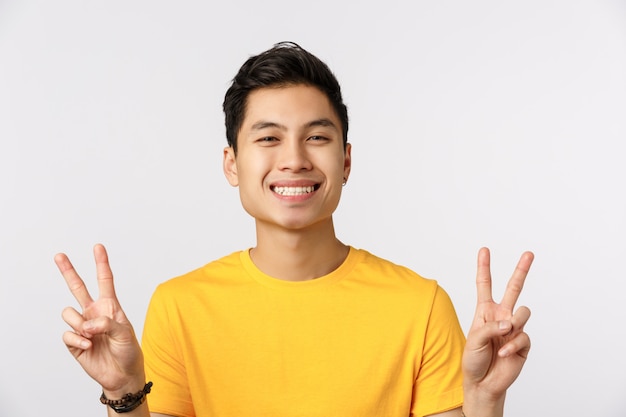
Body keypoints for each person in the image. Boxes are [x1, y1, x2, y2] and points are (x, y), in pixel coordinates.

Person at [55, 41, 534, 417]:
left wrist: (485, 401)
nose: (294, 160)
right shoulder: (180, 306)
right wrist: (124, 394)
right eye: (268, 138)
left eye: (317, 137)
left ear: (345, 161)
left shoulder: (421, 306)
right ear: (232, 164)